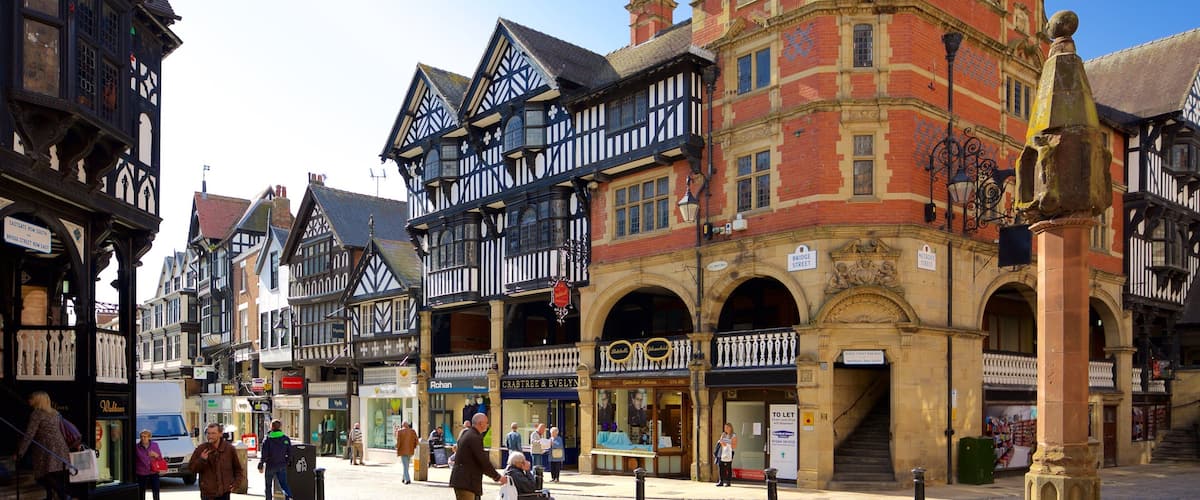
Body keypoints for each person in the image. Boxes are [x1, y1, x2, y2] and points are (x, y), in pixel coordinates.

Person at [15, 391, 70, 500]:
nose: (29, 400)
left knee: (43, 475)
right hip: (60, 447)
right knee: (52, 474)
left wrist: (20, 452)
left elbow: (29, 434)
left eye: (31, 398)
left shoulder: (37, 414)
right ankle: (52, 496)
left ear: (37, 401)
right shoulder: (55, 413)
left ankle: (63, 495)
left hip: (46, 448)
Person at [448, 412, 508, 500]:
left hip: (465, 480)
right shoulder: (474, 437)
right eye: (486, 423)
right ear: (480, 423)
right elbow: (482, 461)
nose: (488, 425)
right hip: (466, 481)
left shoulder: (469, 434)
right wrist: (497, 477)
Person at [188, 422, 245, 500]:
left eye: (213, 433)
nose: (210, 436)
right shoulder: (201, 449)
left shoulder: (229, 449)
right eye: (208, 433)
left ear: (220, 434)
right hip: (207, 494)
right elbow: (191, 468)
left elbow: (238, 469)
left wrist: (236, 484)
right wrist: (202, 460)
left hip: (224, 493)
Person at [258, 419, 294, 500]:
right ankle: (289, 497)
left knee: (268, 486)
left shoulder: (267, 439)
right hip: (281, 465)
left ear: (271, 427)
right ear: (280, 427)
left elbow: (264, 454)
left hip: (270, 465)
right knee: (284, 484)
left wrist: (261, 465)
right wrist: (287, 462)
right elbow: (290, 452)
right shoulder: (285, 438)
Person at [135, 429, 164, 500]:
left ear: (149, 437)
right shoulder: (137, 447)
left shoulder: (155, 445)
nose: (143, 438)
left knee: (156, 490)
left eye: (145, 436)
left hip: (153, 471)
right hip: (141, 472)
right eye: (141, 436)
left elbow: (160, 458)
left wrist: (155, 455)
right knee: (141, 491)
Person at [715, 422, 738, 487]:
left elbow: (734, 445)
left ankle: (728, 481)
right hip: (722, 452)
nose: (725, 429)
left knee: (728, 467)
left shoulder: (733, 435)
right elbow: (722, 443)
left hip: (730, 452)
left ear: (730, 428)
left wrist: (726, 441)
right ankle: (721, 481)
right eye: (725, 427)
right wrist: (728, 441)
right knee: (720, 466)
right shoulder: (723, 434)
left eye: (727, 427)